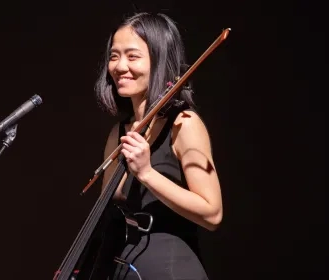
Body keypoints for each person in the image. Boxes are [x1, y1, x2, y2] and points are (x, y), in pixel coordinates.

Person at [94, 12, 223, 280]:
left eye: (133, 56)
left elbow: (212, 213)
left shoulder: (184, 125)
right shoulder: (117, 133)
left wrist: (147, 173)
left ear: (159, 61)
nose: (119, 66)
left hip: (171, 270)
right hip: (126, 270)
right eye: (114, 56)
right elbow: (112, 210)